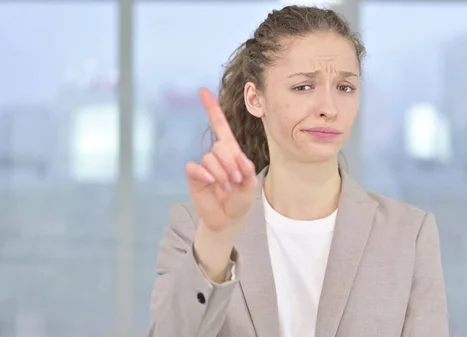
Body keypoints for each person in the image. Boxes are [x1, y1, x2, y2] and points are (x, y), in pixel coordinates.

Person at [147, 5, 448, 337]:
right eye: (304, 87)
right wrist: (217, 240)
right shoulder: (195, 228)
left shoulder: (410, 235)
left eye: (345, 87)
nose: (329, 109)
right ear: (254, 98)